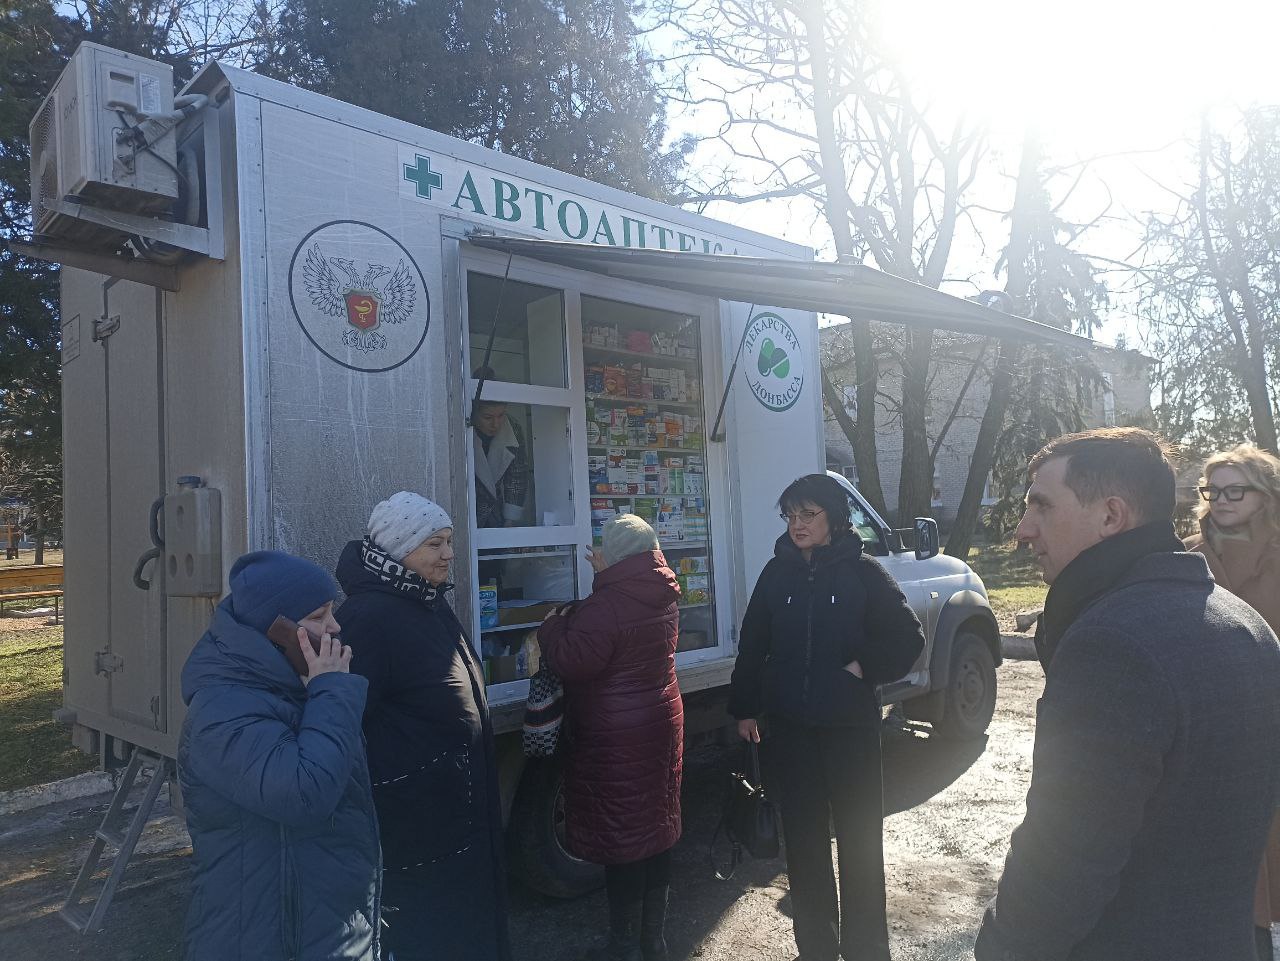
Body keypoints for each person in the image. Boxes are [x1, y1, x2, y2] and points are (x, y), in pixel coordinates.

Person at [975, 428, 1280, 961]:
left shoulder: (1111, 643)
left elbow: (1062, 865)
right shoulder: (1245, 624)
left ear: (1111, 516)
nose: (1024, 530)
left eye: (1041, 506)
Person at [728, 473, 925, 961]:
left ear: (833, 518)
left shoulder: (863, 573)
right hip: (791, 732)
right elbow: (753, 643)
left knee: (860, 842)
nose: (797, 525)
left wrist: (864, 667)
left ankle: (866, 949)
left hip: (851, 732)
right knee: (805, 843)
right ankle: (815, 946)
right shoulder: (776, 574)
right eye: (790, 516)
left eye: (807, 515)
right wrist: (746, 707)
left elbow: (908, 636)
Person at [178, 550, 380, 961]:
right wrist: (331, 691)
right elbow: (305, 794)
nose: (336, 626)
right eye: (320, 616)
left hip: (317, 924)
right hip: (271, 938)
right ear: (278, 631)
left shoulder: (285, 685)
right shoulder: (224, 710)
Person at [335, 492, 510, 961]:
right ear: (399, 549)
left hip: (455, 813)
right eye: (435, 544)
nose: (449, 554)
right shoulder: (367, 618)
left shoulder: (426, 601)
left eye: (449, 541)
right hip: (417, 826)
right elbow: (344, 727)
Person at [537, 514, 684, 961]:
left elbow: (573, 661)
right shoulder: (664, 590)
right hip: (660, 724)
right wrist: (607, 576)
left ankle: (622, 947)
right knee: (656, 832)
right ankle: (653, 942)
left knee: (624, 839)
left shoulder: (607, 604)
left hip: (617, 736)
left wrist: (551, 627)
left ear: (613, 553)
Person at [1184, 444, 1280, 961]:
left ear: (1264, 495)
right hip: (1210, 719)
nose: (1220, 500)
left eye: (1234, 490)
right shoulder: (1187, 555)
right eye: (1211, 490)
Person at [472, 372, 528, 528]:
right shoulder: (462, 427)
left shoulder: (513, 427)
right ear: (473, 411)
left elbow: (517, 476)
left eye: (501, 415)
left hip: (497, 516)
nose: (495, 424)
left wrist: (510, 520)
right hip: (468, 515)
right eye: (488, 417)